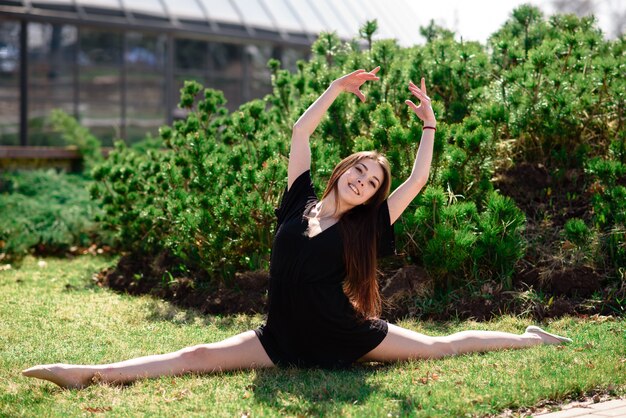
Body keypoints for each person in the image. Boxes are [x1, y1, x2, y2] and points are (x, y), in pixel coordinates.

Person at [22, 67, 571, 389]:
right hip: (279, 337)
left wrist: (428, 125)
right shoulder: (298, 204)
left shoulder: (366, 226)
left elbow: (418, 180)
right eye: (359, 169)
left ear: (375, 195)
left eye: (373, 181)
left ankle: (527, 337)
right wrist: (334, 87)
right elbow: (300, 131)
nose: (364, 181)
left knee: (439, 347)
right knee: (193, 359)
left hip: (343, 335)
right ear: (342, 171)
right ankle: (87, 372)